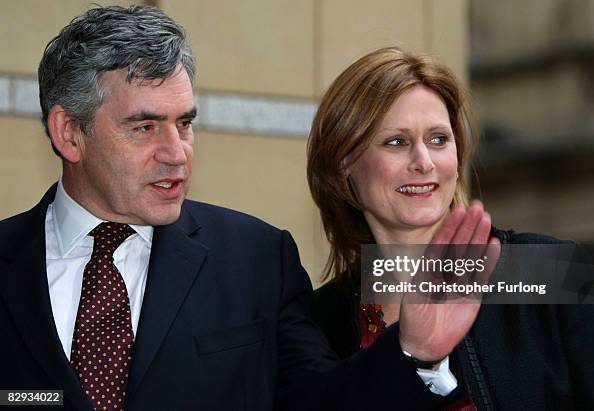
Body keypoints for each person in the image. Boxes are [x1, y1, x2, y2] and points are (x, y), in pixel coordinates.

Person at [0, 7, 493, 411]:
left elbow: (320, 405)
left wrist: (413, 354)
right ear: (69, 133)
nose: (177, 152)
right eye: (144, 127)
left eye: (186, 124)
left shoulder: (257, 260)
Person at [308, 47, 594, 409]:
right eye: (396, 142)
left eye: (438, 139)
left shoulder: (559, 269)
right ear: (345, 161)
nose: (423, 162)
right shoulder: (319, 321)